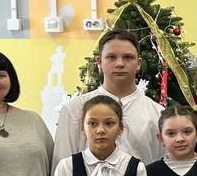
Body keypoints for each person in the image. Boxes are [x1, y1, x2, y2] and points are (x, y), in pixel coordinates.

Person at [52, 29, 163, 167]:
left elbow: (164, 168)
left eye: (128, 57)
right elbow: (61, 166)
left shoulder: (157, 114)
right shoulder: (74, 109)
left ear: (139, 63)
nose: (119, 64)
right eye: (111, 57)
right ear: (99, 62)